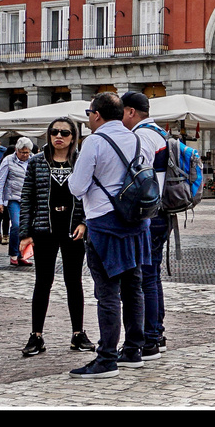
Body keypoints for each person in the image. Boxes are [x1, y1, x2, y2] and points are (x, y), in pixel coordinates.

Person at [67, 91, 154, 379]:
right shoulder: (139, 139)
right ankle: (133, 349)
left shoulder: (95, 141)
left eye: (89, 113)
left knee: (107, 292)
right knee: (134, 287)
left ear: (97, 114)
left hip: (104, 223)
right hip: (136, 222)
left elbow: (77, 187)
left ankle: (106, 358)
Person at [21, 117, 92, 358]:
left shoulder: (81, 162)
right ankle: (36, 336)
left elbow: (88, 195)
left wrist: (84, 222)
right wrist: (24, 233)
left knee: (74, 282)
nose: (58, 136)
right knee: (43, 282)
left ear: (73, 137)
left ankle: (77, 334)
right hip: (44, 229)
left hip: (73, 229)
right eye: (54, 132)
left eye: (64, 132)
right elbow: (27, 198)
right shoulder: (36, 163)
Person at [117, 92, 173, 359]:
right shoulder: (159, 132)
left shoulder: (141, 137)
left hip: (150, 214)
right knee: (152, 277)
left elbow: (136, 176)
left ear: (130, 112)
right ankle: (156, 334)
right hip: (161, 213)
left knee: (145, 279)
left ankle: (150, 338)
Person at [0, 138, 34, 265]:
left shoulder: (34, 160)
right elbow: (0, 181)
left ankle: (23, 254)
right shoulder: (8, 160)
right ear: (16, 150)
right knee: (17, 225)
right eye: (22, 152)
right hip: (14, 198)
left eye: (27, 152)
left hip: (30, 199)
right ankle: (14, 254)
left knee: (29, 227)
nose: (25, 155)